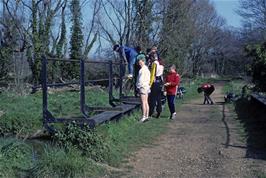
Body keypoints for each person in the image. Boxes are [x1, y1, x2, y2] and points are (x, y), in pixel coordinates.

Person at [148, 54, 164, 118]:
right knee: (159, 98)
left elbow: (152, 74)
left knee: (153, 98)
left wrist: (150, 84)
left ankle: (151, 113)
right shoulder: (161, 64)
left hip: (155, 82)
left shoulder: (154, 63)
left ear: (153, 58)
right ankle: (159, 112)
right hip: (160, 82)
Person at [136, 54, 151, 122]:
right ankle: (147, 116)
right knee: (146, 102)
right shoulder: (147, 69)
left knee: (143, 102)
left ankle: (144, 116)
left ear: (143, 61)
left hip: (142, 87)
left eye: (140, 61)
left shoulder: (142, 70)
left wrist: (138, 87)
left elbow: (140, 80)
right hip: (147, 87)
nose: (139, 63)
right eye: (139, 61)